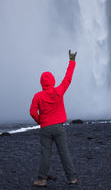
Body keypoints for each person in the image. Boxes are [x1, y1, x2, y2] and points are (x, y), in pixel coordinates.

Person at [30, 50, 78, 187]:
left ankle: (41, 179)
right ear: (53, 81)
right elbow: (68, 78)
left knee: (45, 154)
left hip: (45, 128)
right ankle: (72, 178)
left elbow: (32, 111)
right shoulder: (59, 91)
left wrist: (40, 120)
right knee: (64, 152)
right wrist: (72, 61)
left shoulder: (37, 96)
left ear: (41, 83)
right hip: (59, 127)